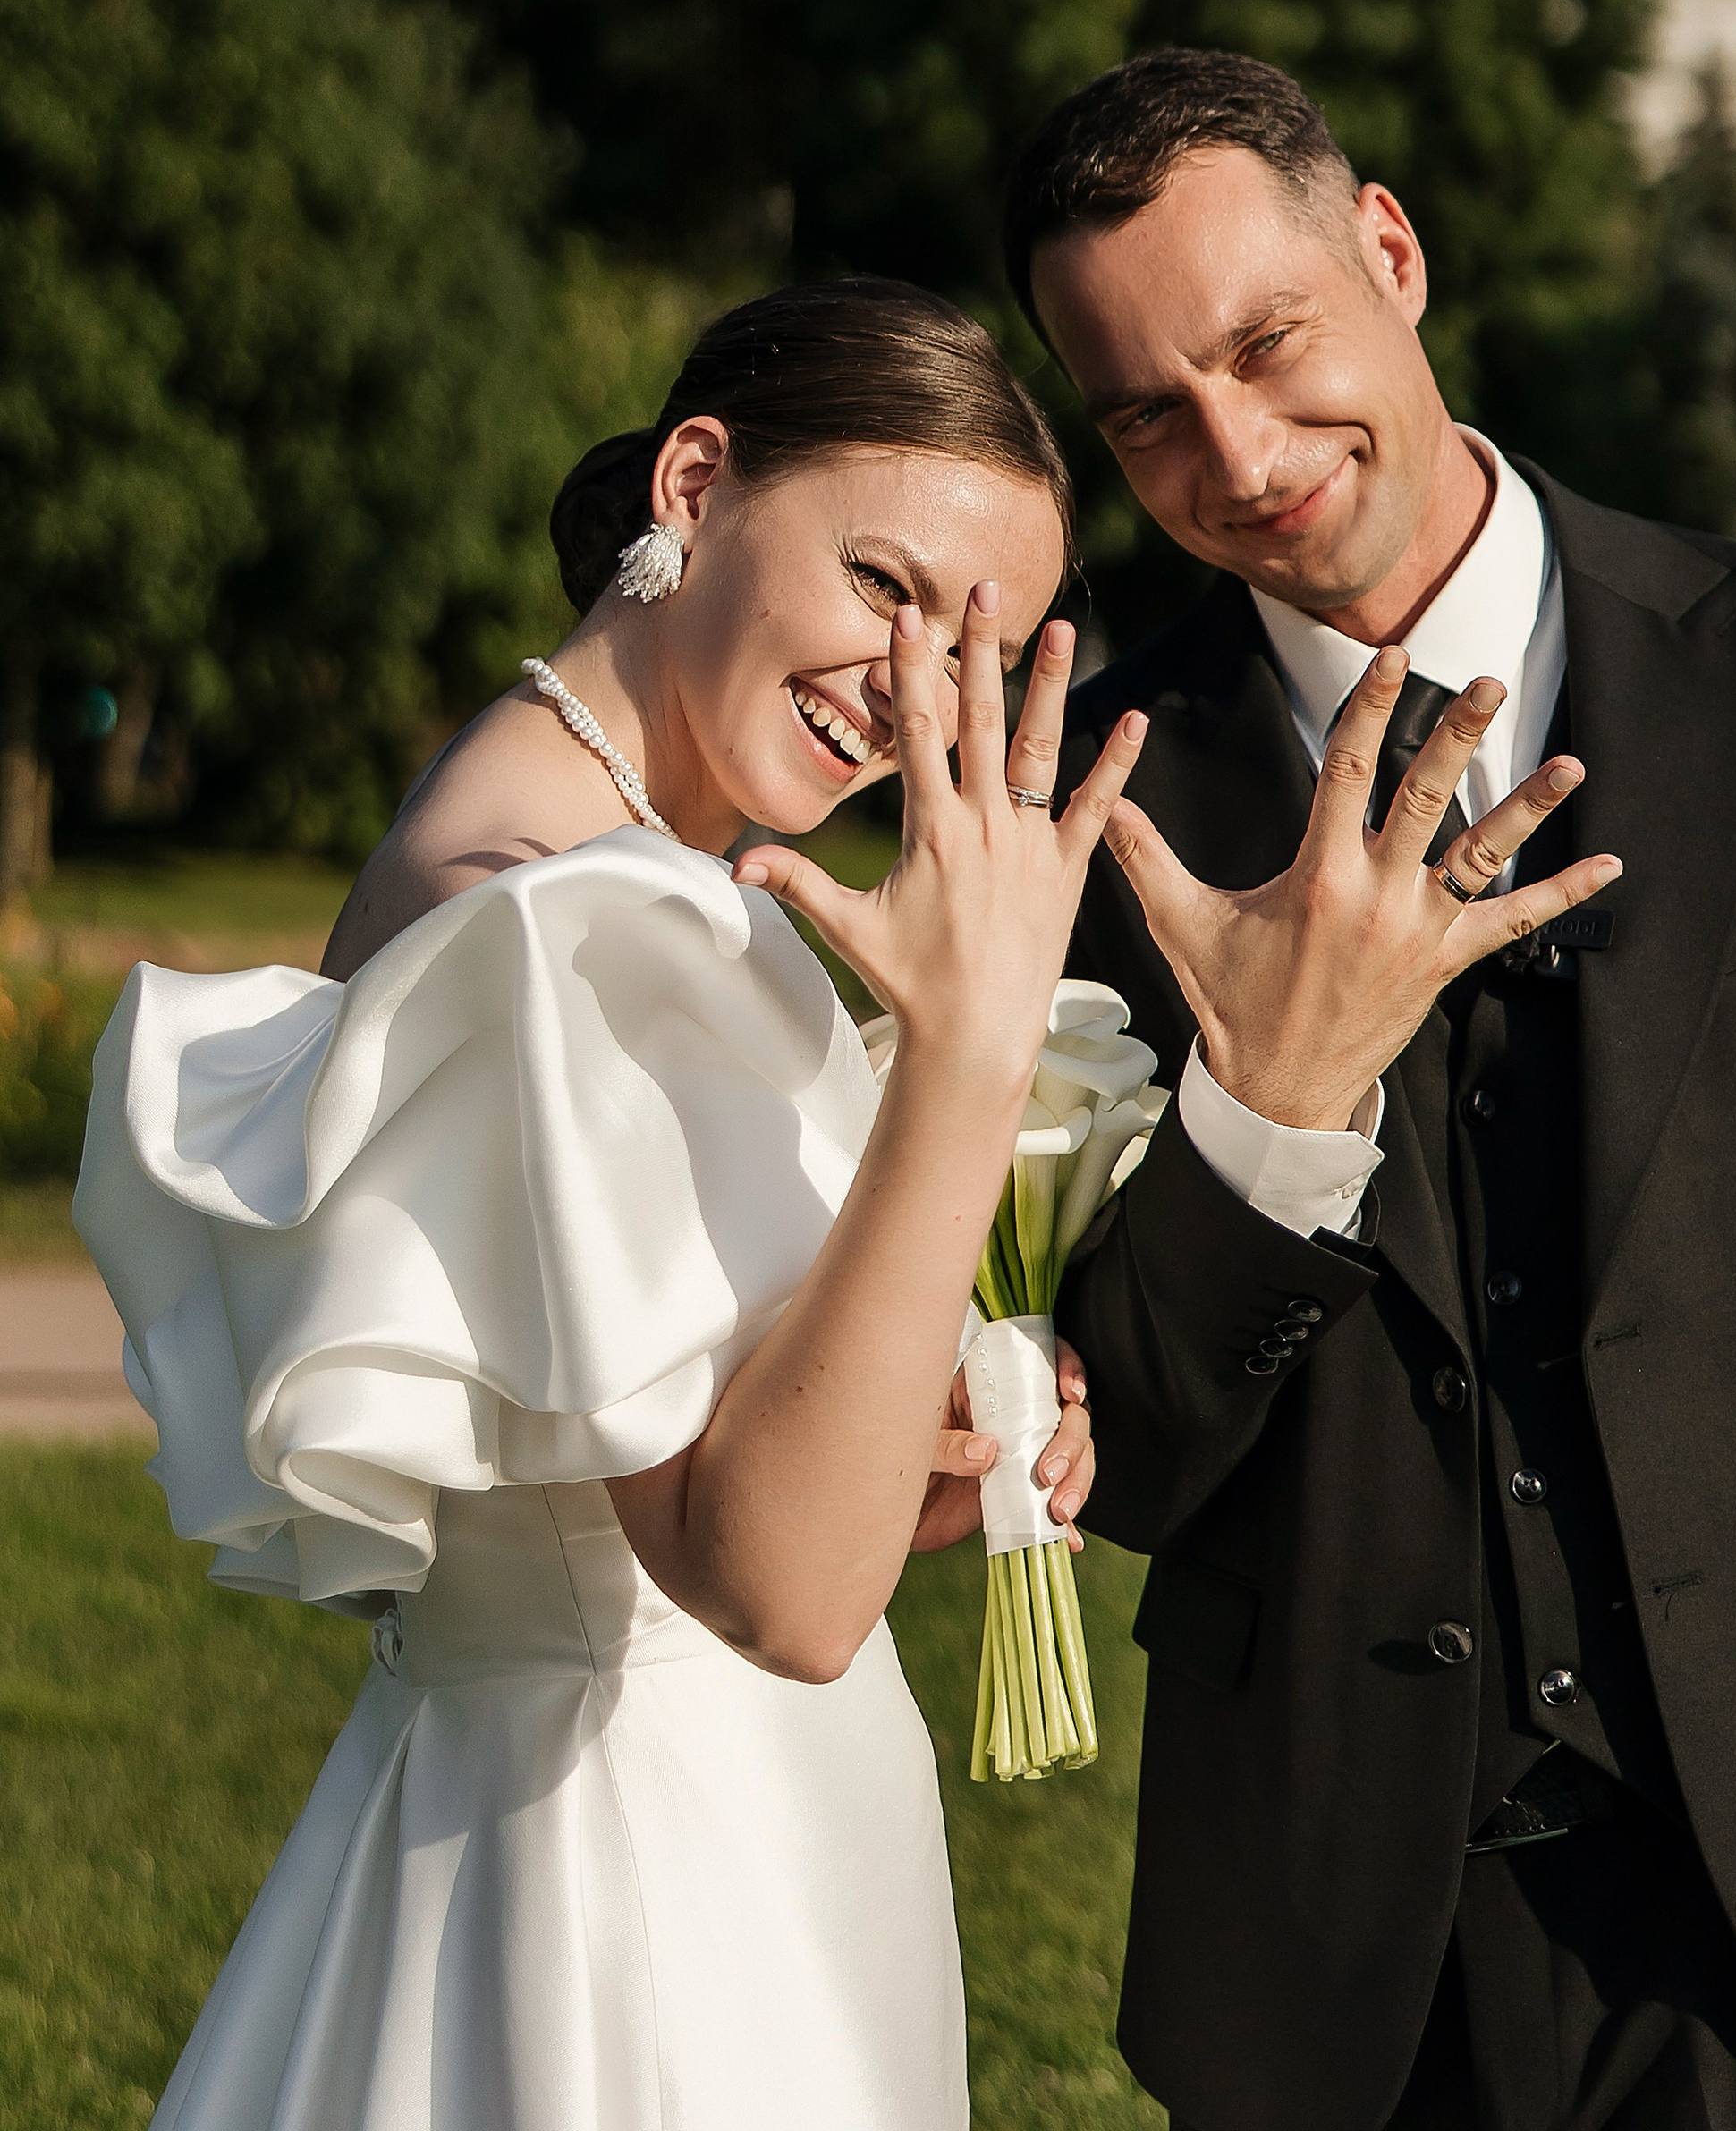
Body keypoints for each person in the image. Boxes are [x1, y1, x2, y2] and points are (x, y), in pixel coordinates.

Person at [1009, 51, 1736, 2131]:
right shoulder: (1087, 804)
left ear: (1387, 248)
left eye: (1268, 346)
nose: (1239, 453)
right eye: (1145, 417)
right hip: (1335, 1980)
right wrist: (1263, 1109)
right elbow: (1135, 1453)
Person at [76, 275, 1147, 2131]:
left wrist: (924, 1444)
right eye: (882, 586)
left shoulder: (532, 852)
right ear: (695, 481)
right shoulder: (581, 928)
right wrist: (967, 1062)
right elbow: (778, 1598)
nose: (908, 691)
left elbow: (647, 1476)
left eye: (971, 649)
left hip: (549, 1798)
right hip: (661, 1894)